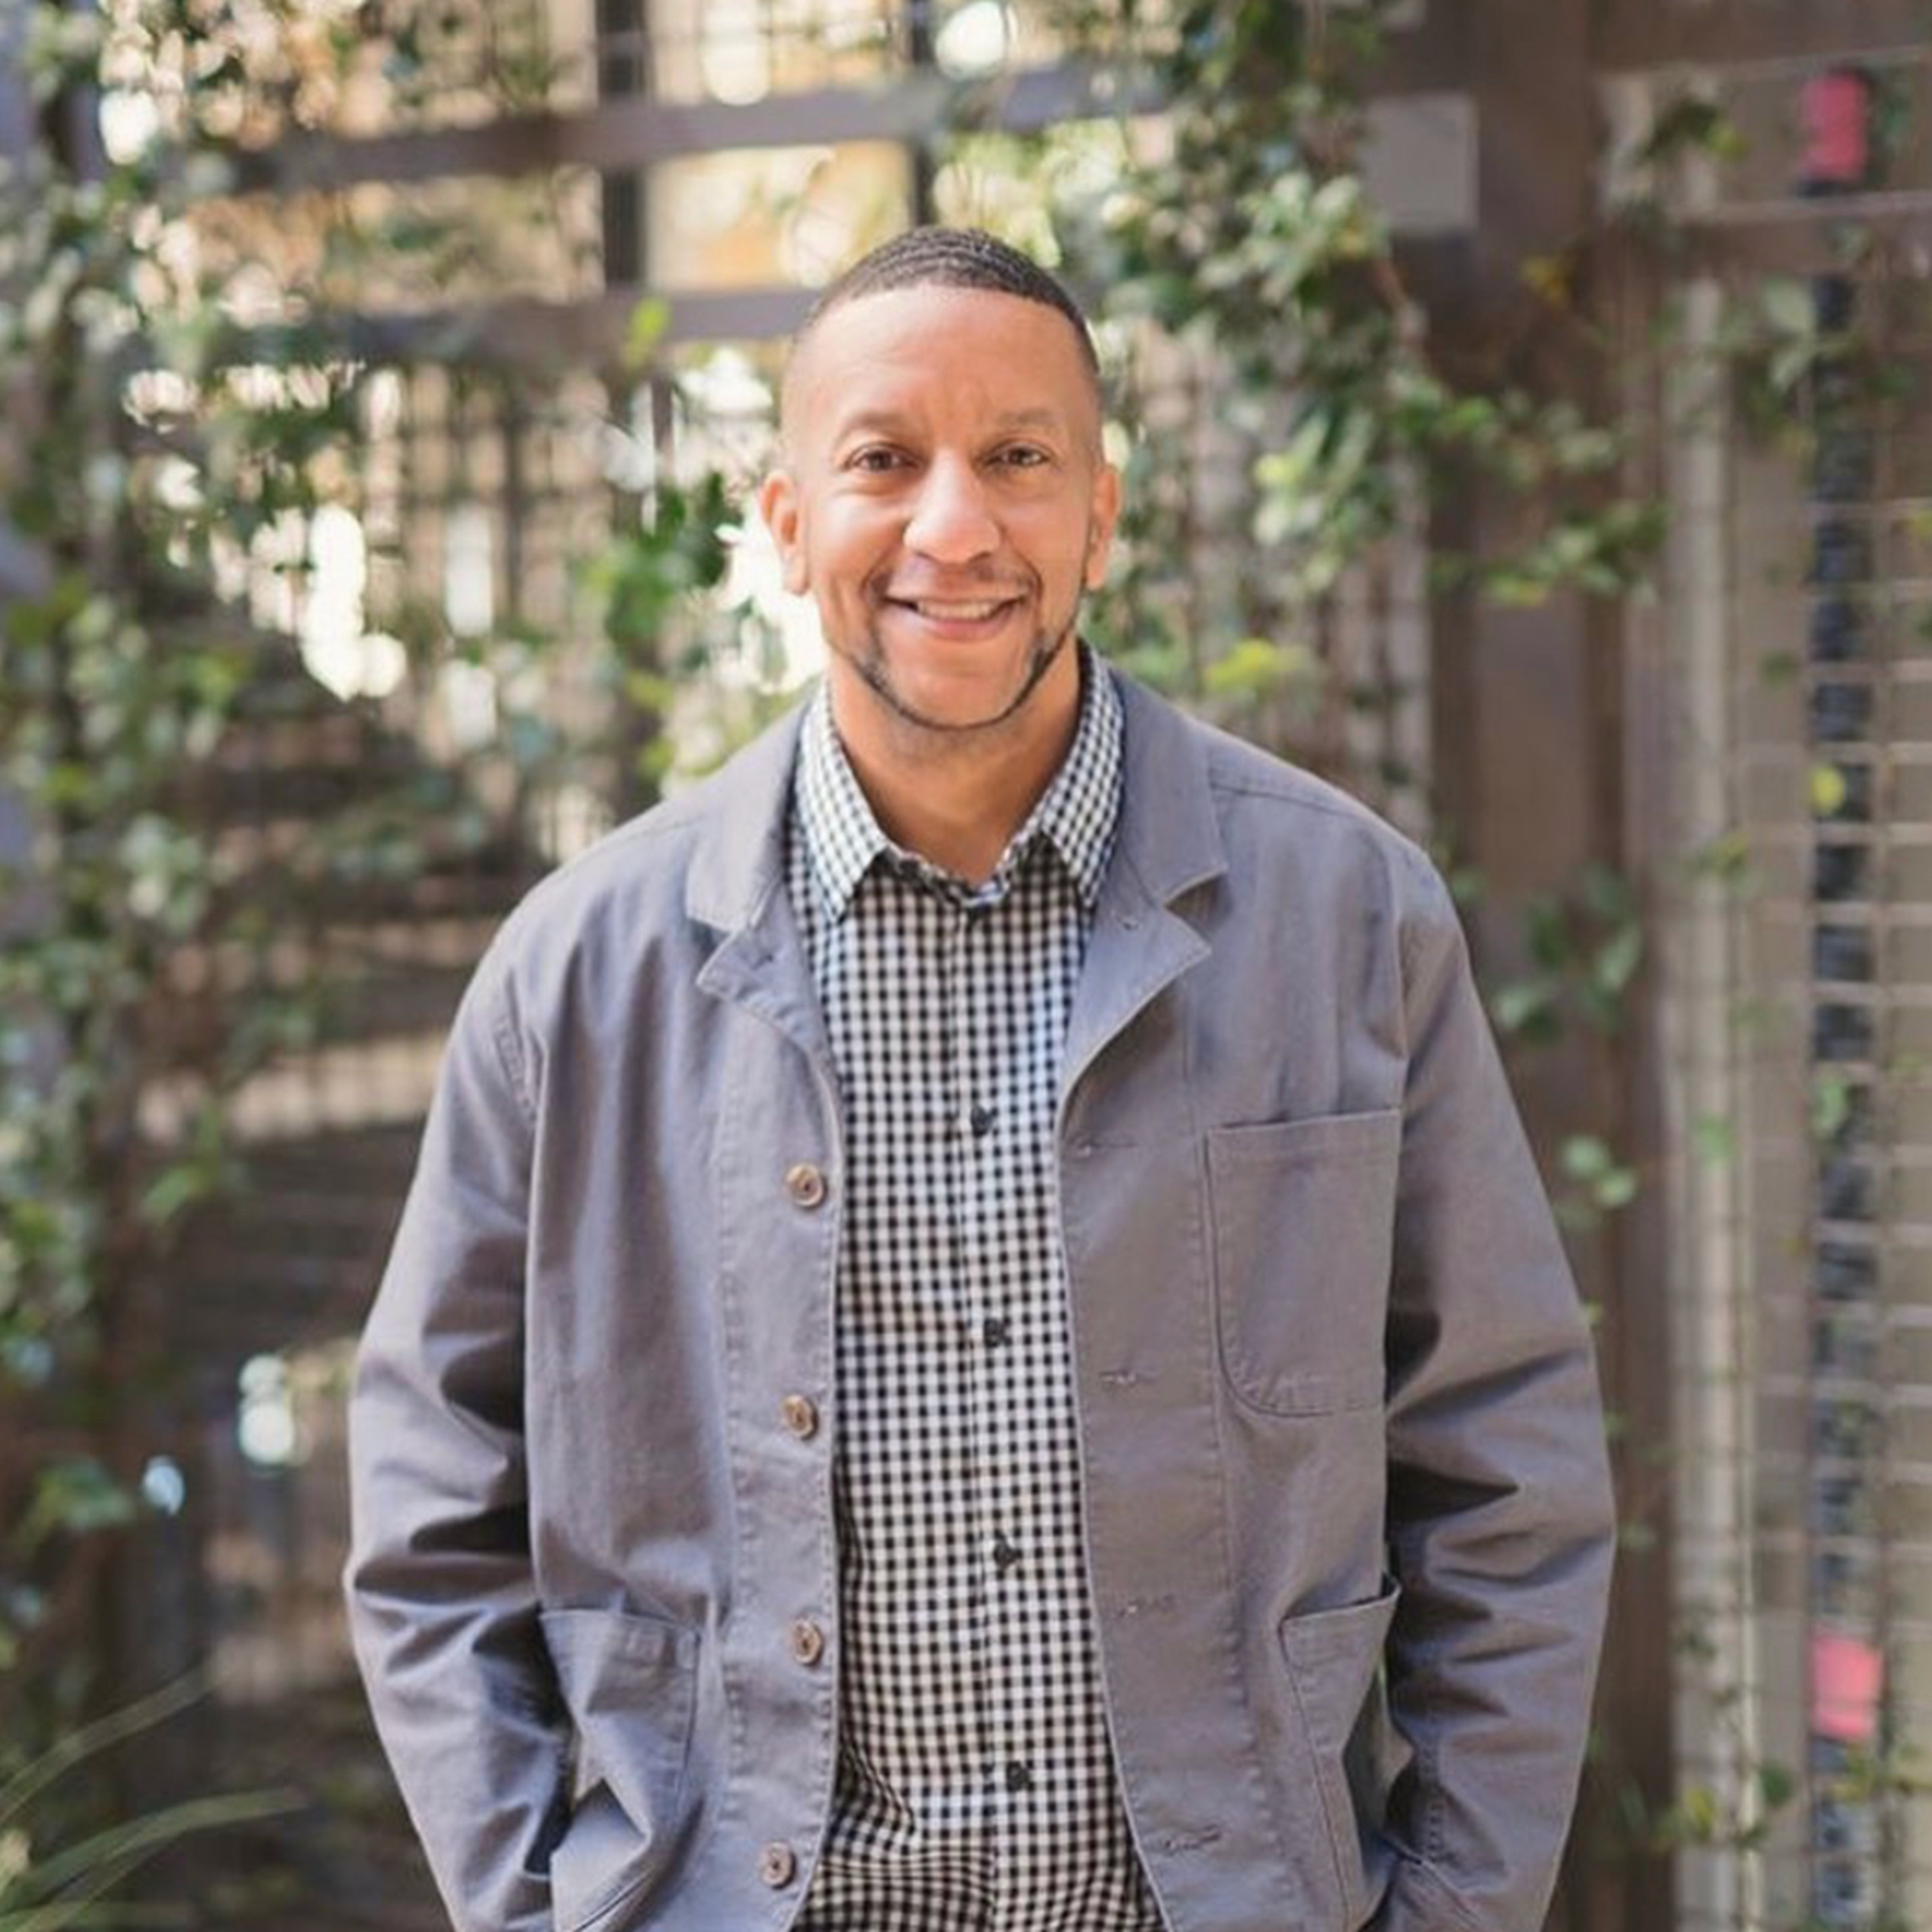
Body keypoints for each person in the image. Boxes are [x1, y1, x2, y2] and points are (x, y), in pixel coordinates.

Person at [345, 225, 1616, 1932]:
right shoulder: (578, 974)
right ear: (787, 523)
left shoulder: (1346, 916)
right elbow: (430, 1507)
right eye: (884, 459)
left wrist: (1451, 1911)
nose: (954, 527)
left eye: (1019, 458)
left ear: (1100, 514)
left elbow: (1508, 1469)